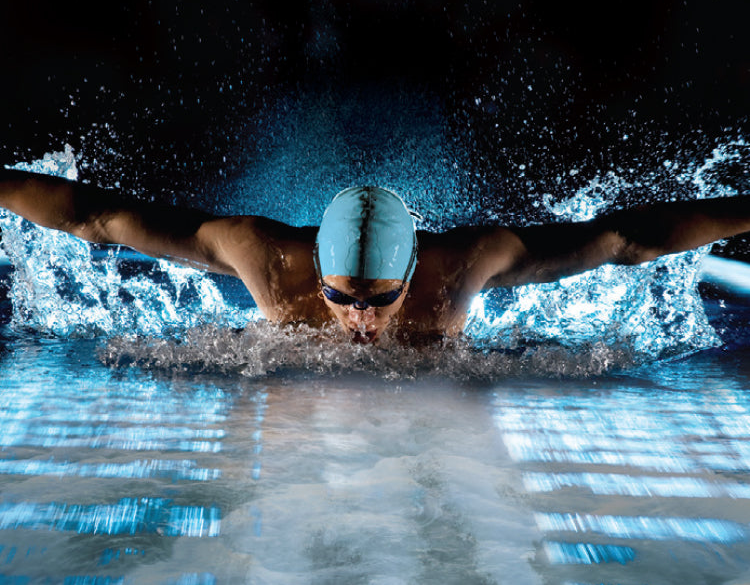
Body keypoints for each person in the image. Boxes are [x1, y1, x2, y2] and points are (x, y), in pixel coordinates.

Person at [1, 168, 749, 344]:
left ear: (416, 270)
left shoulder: (466, 266)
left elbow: (625, 241)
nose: (360, 318)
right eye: (343, 295)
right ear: (313, 270)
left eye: (380, 299)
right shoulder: (260, 256)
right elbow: (96, 217)